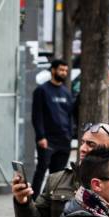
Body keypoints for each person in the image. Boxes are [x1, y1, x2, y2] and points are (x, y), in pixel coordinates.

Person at [12, 122, 109, 217]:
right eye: (83, 142)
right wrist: (23, 201)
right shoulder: (57, 180)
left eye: (91, 144)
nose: (83, 149)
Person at [30, 58, 75, 192]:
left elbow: (69, 115)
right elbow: (37, 116)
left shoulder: (66, 92)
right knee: (41, 170)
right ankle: (33, 200)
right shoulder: (41, 91)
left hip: (63, 140)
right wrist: (40, 137)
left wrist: (69, 135)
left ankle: (48, 201)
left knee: (57, 175)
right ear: (53, 70)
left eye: (66, 70)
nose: (63, 73)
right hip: (47, 140)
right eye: (61, 70)